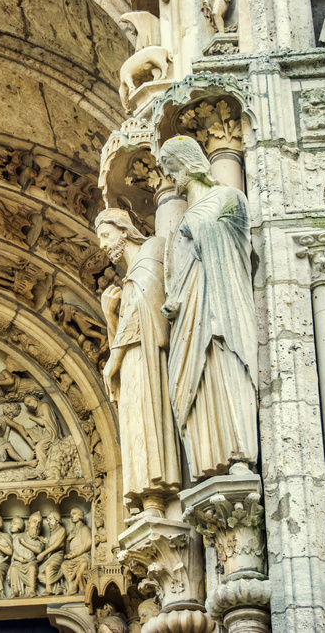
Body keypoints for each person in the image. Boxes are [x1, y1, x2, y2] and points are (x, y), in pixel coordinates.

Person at [158, 136, 259, 480]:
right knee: (194, 382)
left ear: (188, 161)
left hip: (220, 306)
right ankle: (208, 461)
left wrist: (193, 223)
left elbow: (233, 249)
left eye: (171, 167)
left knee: (222, 366)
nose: (171, 178)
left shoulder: (228, 198)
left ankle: (239, 454)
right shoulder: (186, 218)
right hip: (189, 316)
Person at [95, 208, 181, 514]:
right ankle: (148, 501)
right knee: (135, 423)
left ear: (124, 229)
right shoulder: (130, 277)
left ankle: (157, 495)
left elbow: (146, 315)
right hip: (133, 359)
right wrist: (108, 316)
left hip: (147, 360)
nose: (103, 246)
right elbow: (127, 329)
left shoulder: (152, 252)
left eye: (105, 236)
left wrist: (112, 359)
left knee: (147, 419)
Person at [61, 508, 91, 594]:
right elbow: (68, 551)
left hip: (83, 556)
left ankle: (76, 585)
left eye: (74, 513)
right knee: (64, 565)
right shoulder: (72, 532)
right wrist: (67, 540)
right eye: (71, 514)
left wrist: (77, 553)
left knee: (83, 565)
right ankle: (71, 584)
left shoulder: (85, 529)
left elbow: (88, 544)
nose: (71, 516)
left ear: (80, 515)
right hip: (73, 558)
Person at [37, 512, 66, 595]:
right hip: (51, 557)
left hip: (58, 556)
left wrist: (43, 554)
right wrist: (45, 542)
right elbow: (50, 545)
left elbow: (57, 544)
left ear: (57, 520)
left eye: (50, 519)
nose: (48, 522)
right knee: (38, 572)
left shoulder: (62, 530)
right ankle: (56, 587)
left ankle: (49, 589)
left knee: (49, 567)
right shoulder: (52, 533)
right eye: (47, 520)